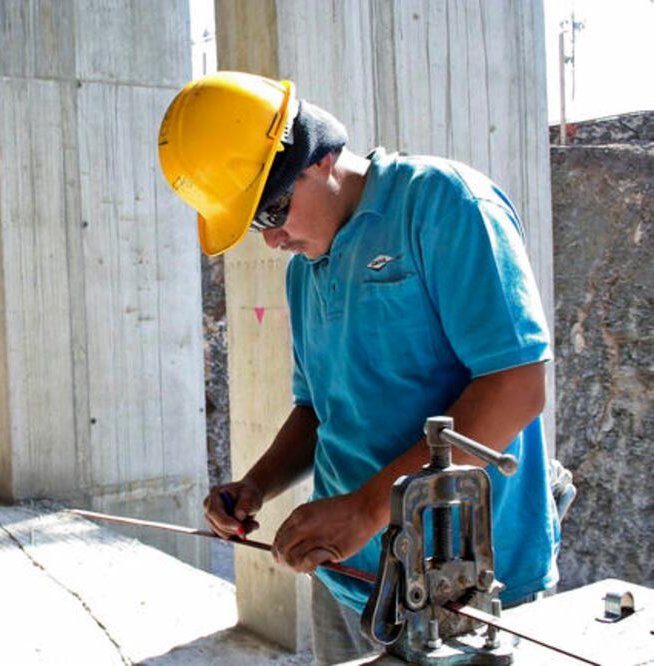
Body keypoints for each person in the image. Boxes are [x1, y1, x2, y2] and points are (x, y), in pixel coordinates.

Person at [158, 72, 560, 664]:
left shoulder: (444, 206)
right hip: (348, 578)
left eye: (273, 211)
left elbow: (517, 387)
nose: (273, 241)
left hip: (462, 588)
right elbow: (319, 408)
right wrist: (258, 485)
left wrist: (370, 508)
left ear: (318, 158)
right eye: (257, 225)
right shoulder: (306, 271)